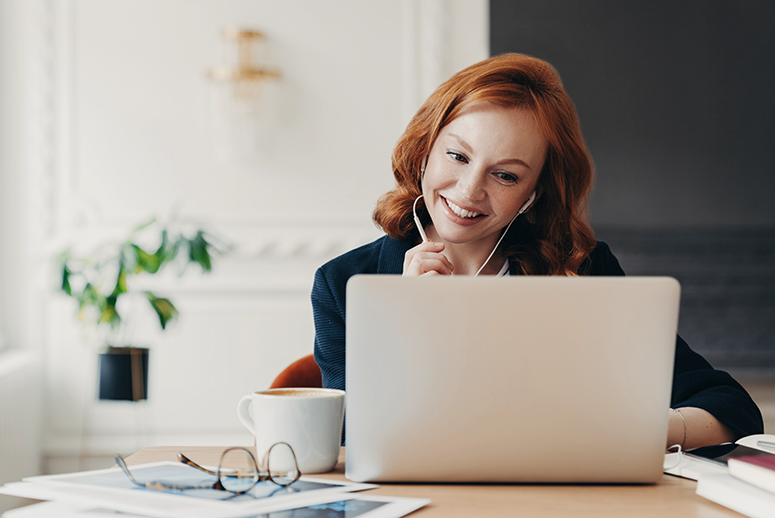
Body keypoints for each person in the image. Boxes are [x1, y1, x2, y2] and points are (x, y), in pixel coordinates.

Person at [312, 53, 763, 448]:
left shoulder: (585, 271)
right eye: (458, 156)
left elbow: (732, 410)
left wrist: (641, 430)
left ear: (534, 193)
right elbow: (352, 437)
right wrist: (406, 324)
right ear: (425, 150)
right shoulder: (341, 283)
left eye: (506, 175)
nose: (469, 191)